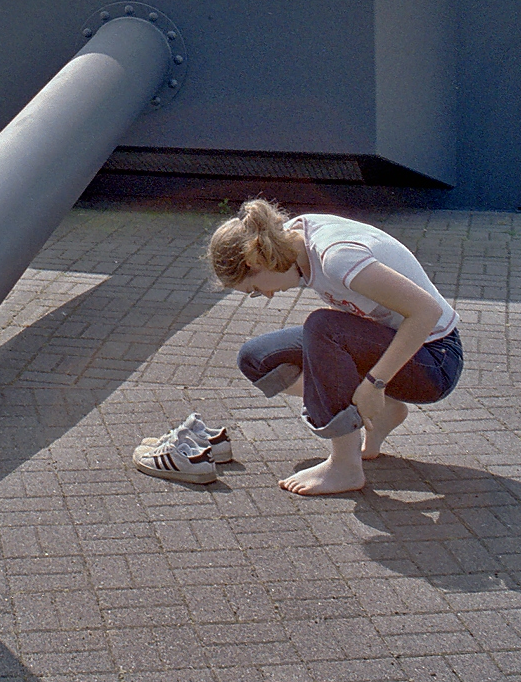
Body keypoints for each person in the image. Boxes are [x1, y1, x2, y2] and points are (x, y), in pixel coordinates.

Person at [131, 197, 463, 495]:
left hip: (436, 359)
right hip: (393, 341)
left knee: (323, 327)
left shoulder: (336, 256)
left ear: (256, 260)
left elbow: (427, 312)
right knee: (257, 358)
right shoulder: (292, 239)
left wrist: (375, 383)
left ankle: (345, 467)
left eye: (255, 289)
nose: (267, 295)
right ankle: (382, 411)